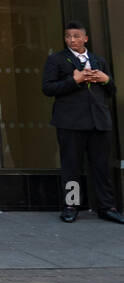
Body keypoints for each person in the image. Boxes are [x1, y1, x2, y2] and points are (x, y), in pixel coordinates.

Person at [42, 21, 123, 224]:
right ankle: (71, 205)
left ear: (85, 38)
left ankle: (107, 207)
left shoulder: (98, 60)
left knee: (102, 166)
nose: (72, 39)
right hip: (70, 122)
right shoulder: (56, 60)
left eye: (76, 36)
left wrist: (105, 79)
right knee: (72, 166)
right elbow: (48, 88)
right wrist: (74, 81)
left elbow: (111, 90)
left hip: (98, 121)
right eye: (68, 36)